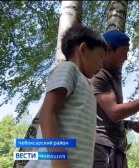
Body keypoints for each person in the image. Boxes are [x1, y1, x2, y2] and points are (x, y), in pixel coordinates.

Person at [25, 24, 107, 168]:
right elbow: (48, 114)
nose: (101, 66)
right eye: (100, 57)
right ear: (83, 49)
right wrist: (60, 162)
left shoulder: (86, 85)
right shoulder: (68, 69)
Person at [91, 29, 139, 168]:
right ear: (109, 49)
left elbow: (103, 117)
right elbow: (114, 112)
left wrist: (130, 125)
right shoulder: (99, 75)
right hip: (102, 148)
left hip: (116, 149)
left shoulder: (112, 75)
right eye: (124, 52)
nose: (126, 57)